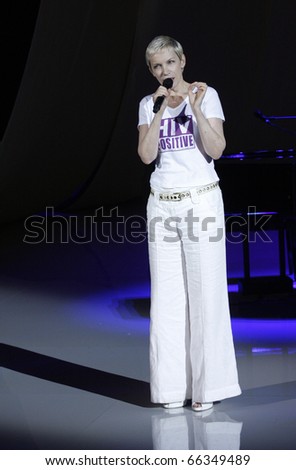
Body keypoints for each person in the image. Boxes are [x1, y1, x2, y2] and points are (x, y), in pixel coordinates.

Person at [137, 35, 241, 411]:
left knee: (205, 294)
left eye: (169, 63)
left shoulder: (206, 95)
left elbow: (216, 149)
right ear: (153, 71)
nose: (164, 71)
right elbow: (146, 156)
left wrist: (195, 108)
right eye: (156, 67)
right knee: (167, 299)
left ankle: (207, 389)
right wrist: (161, 110)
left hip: (200, 201)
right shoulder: (148, 105)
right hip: (162, 204)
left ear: (182, 61)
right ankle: (169, 390)